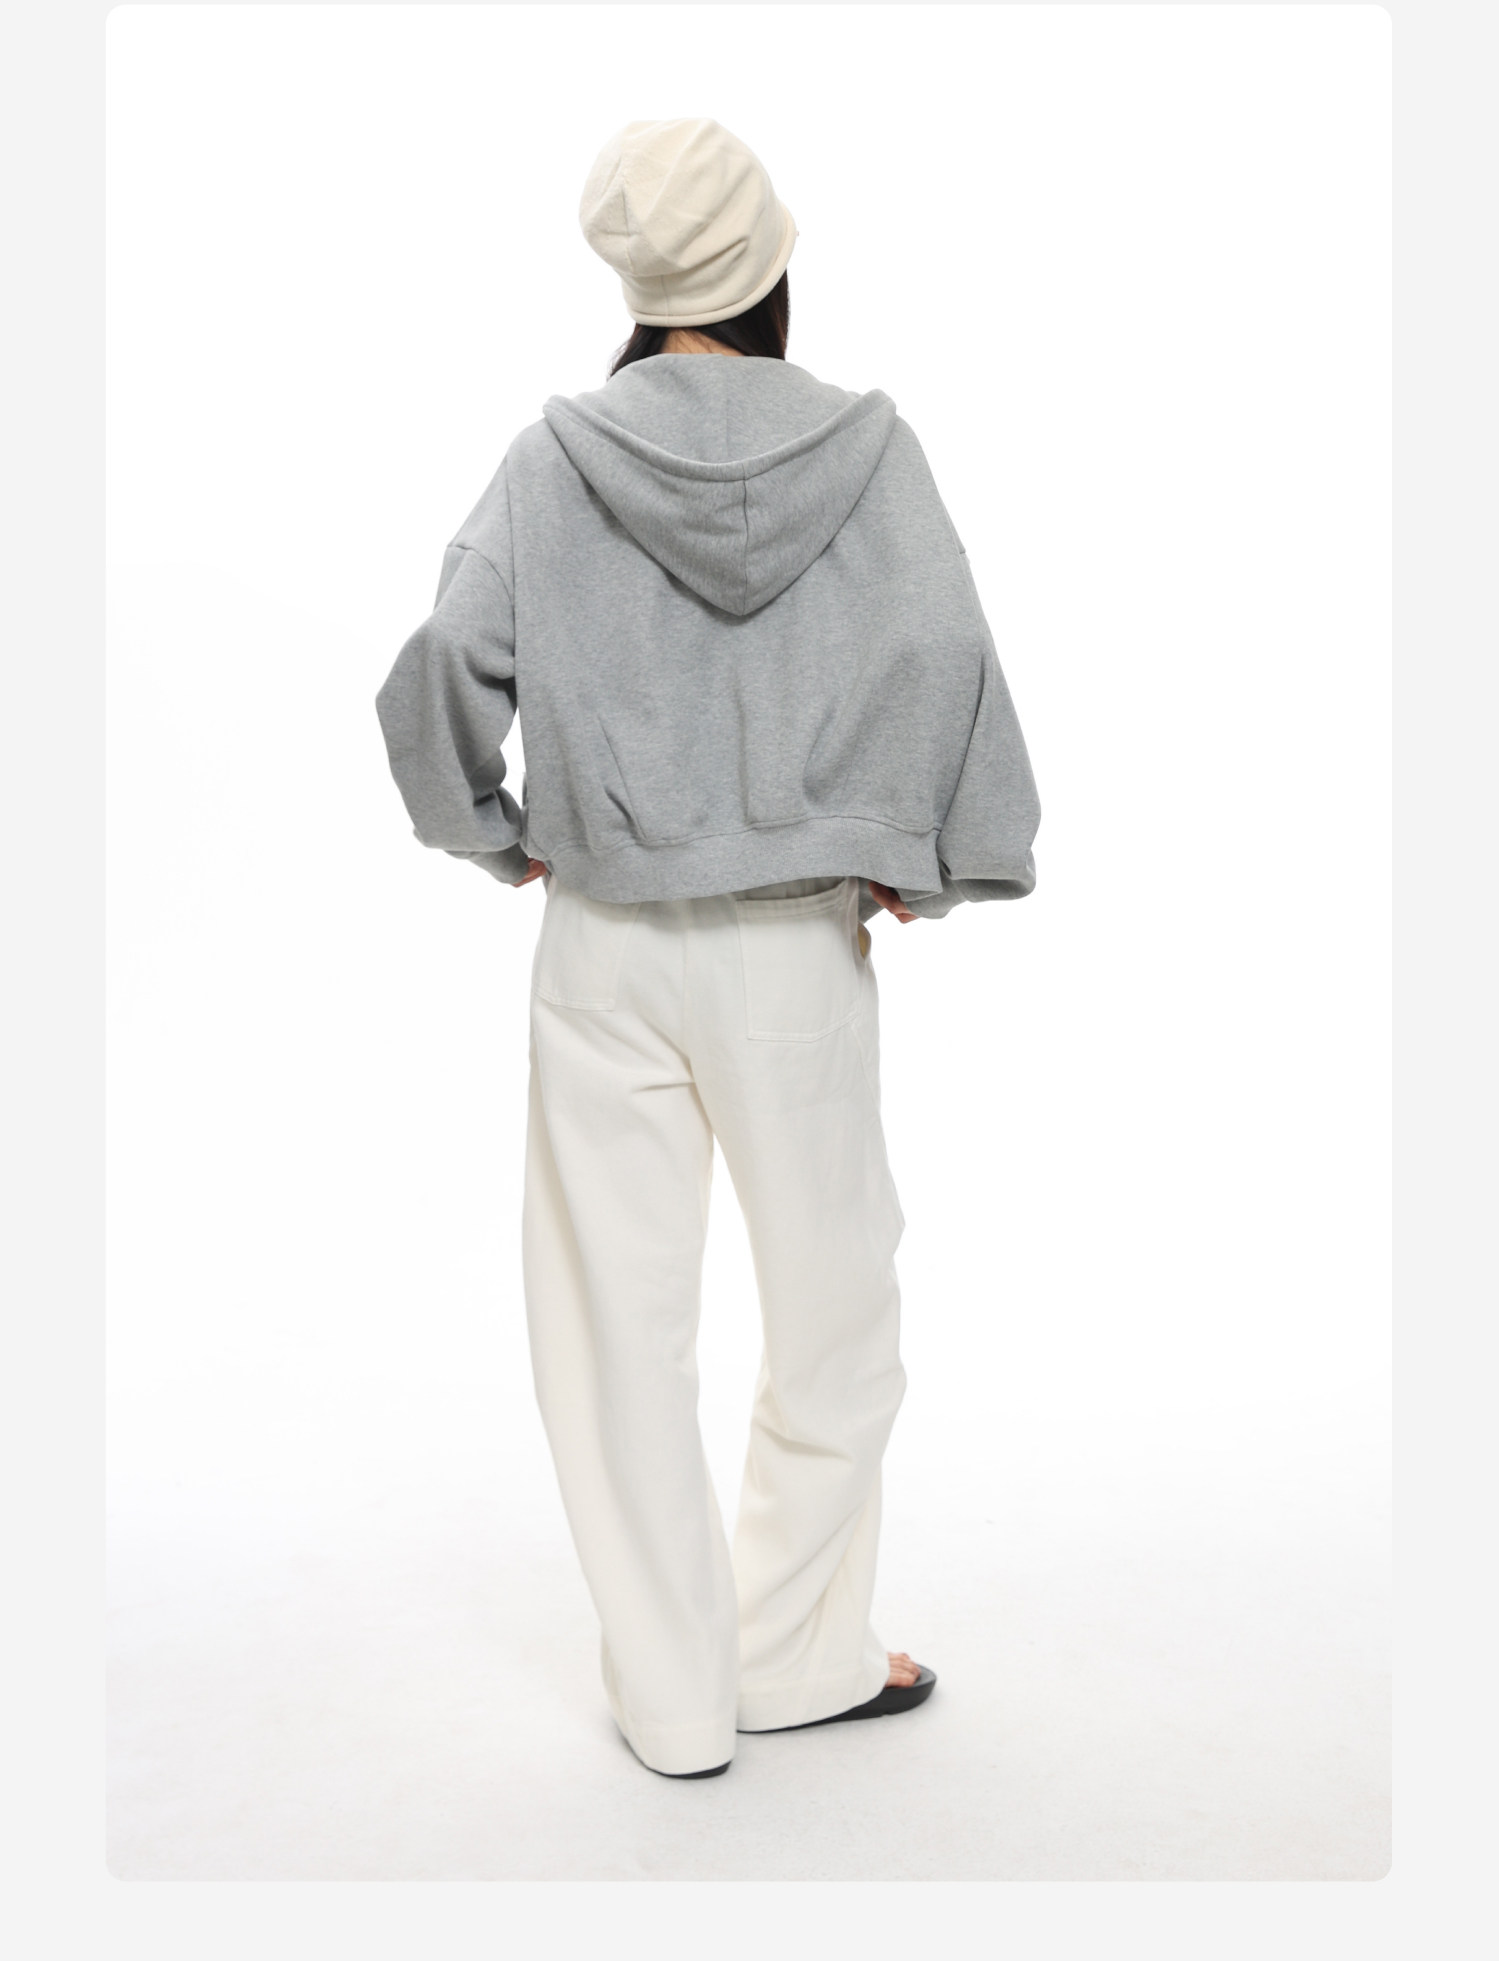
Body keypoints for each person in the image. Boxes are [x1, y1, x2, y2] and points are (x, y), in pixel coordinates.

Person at [375, 117, 1040, 1780]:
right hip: (791, 950)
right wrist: (924, 850)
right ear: (772, 266)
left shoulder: (553, 459)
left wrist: (492, 830)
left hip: (603, 941)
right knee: (836, 1313)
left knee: (612, 1327)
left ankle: (675, 1700)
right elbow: (946, 642)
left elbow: (444, 657)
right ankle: (797, 1657)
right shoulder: (870, 450)